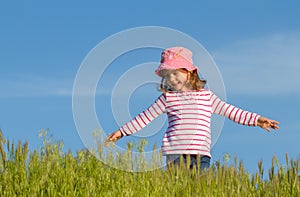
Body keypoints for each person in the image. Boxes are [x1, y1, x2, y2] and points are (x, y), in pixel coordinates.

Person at [106, 46, 279, 171]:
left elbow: (231, 111)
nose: (171, 79)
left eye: (175, 73)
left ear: (189, 72)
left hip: (201, 155)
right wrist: (122, 132)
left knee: (199, 189)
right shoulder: (168, 98)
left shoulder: (206, 96)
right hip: (175, 155)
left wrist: (256, 119)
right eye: (167, 76)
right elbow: (145, 117)